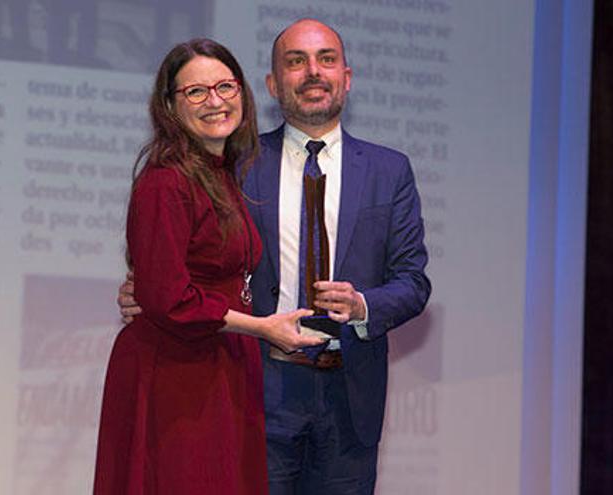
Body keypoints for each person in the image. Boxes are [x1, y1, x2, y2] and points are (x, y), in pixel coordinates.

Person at [119, 19, 430, 494]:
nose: (312, 72)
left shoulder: (390, 171)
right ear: (269, 84)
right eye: (295, 61)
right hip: (255, 388)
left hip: (351, 394)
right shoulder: (233, 164)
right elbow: (191, 252)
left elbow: (413, 281)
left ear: (347, 77)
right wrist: (146, 290)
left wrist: (364, 305)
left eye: (326, 59)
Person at [93, 38, 324, 495]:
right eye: (196, 92)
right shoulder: (166, 181)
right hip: (176, 373)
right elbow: (169, 298)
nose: (215, 101)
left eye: (225, 86)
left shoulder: (222, 172)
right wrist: (261, 327)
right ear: (169, 106)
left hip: (218, 365)